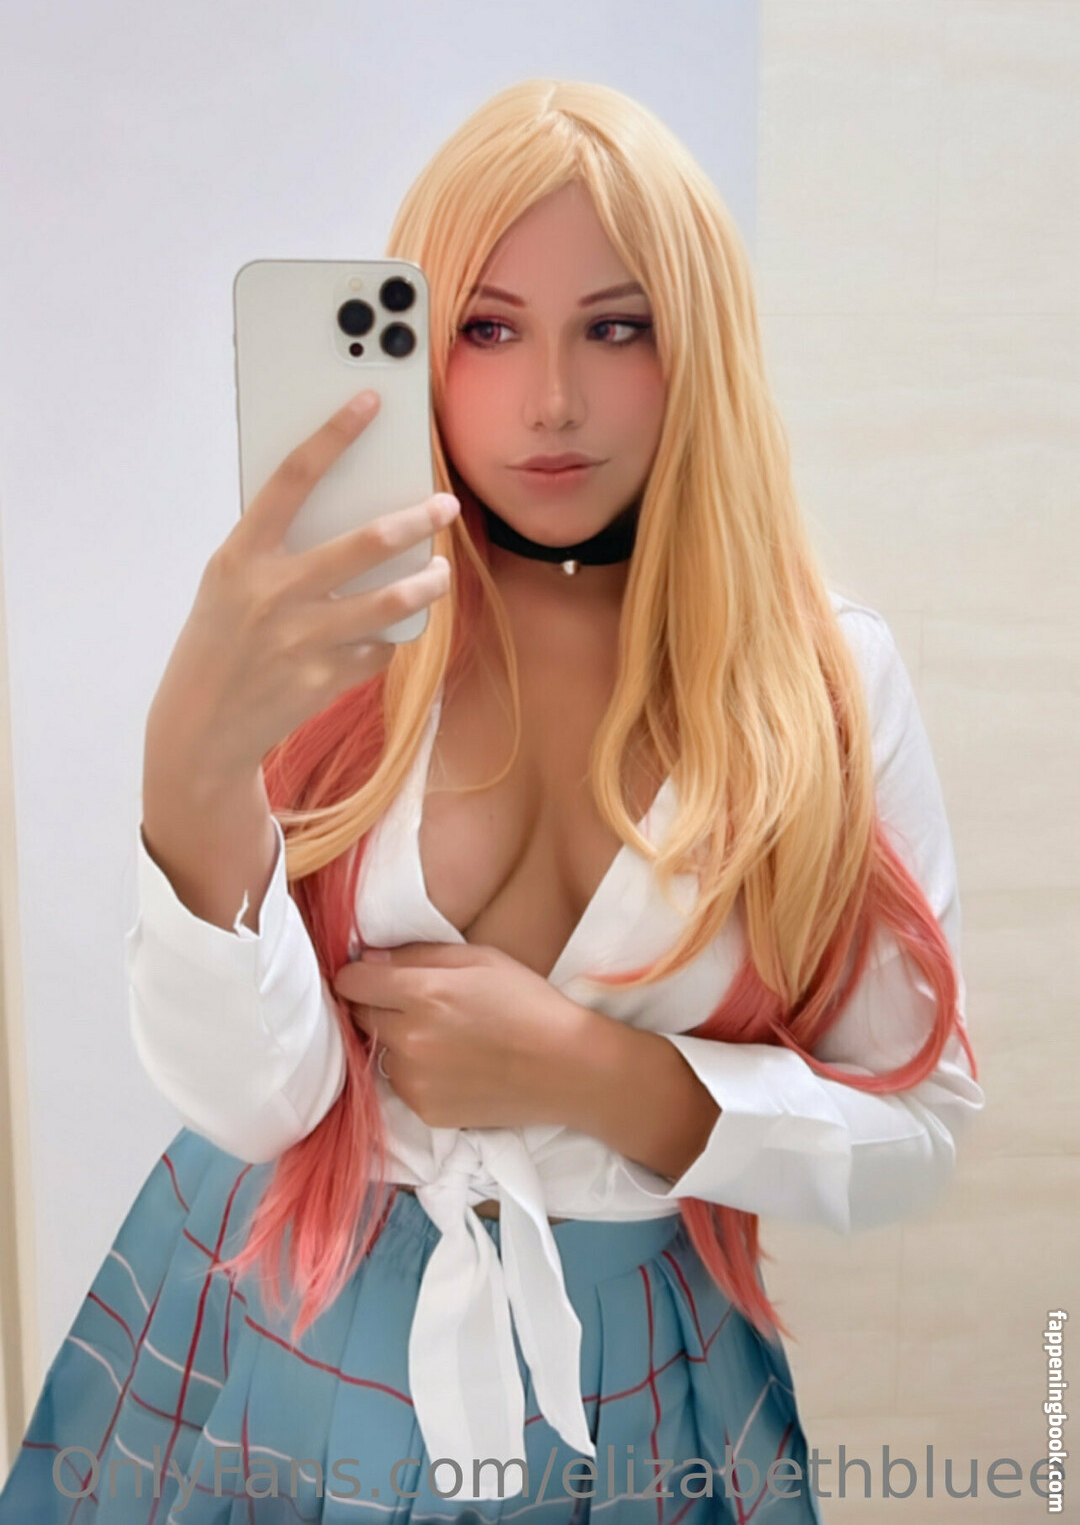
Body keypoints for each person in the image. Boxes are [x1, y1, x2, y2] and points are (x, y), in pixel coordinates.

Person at [1, 79, 983, 1524]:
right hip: (273, 1312)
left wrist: (598, 1074)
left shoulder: (823, 680)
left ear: (699, 342)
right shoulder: (336, 634)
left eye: (617, 327)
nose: (553, 401)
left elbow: (921, 1125)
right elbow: (259, 1104)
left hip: (630, 1373)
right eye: (488, 327)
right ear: (417, 348)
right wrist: (189, 769)